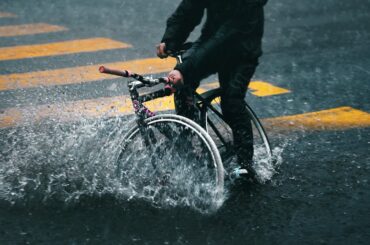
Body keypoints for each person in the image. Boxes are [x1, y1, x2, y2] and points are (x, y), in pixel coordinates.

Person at [156, 0, 268, 180]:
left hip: (241, 50)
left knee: (231, 101)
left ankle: (245, 164)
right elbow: (189, 10)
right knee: (183, 87)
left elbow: (224, 36)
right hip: (212, 41)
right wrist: (170, 40)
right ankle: (189, 141)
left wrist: (184, 70)